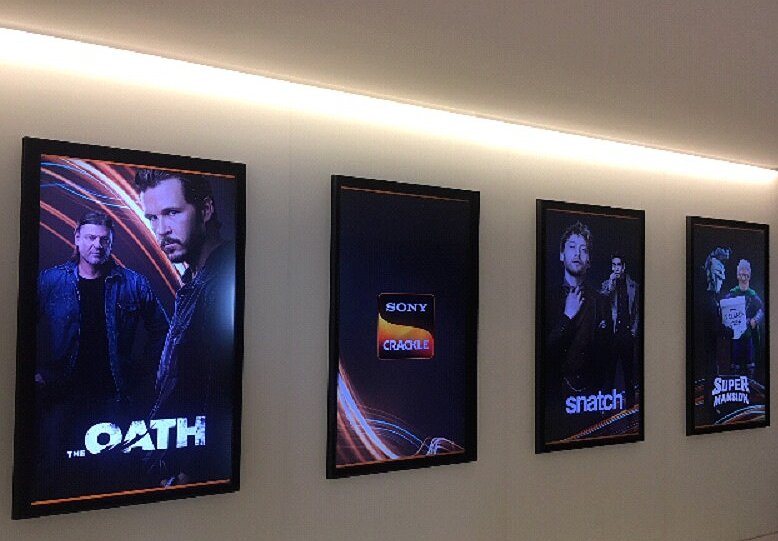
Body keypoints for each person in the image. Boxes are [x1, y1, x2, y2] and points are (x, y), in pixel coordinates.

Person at [36, 210, 169, 498]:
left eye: (104, 240)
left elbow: (163, 329)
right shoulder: (50, 281)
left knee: (112, 477)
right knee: (56, 478)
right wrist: (36, 373)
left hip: (114, 397)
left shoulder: (133, 283)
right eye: (90, 238)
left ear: (111, 243)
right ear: (77, 238)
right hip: (62, 396)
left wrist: (144, 370)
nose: (97, 245)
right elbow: (18, 325)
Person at [135, 169, 236, 486]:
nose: (161, 230)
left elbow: (223, 393)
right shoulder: (194, 281)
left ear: (205, 210)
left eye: (172, 213)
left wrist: (189, 473)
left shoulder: (225, 281)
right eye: (152, 218)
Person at [546, 221, 610, 441]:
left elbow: (607, 356)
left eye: (583, 249)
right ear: (561, 255)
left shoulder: (601, 302)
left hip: (592, 403)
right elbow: (545, 353)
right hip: (556, 404)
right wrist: (567, 316)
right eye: (572, 247)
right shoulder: (547, 299)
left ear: (589, 260)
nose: (577, 254)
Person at [600, 254, 639, 407]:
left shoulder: (633, 286)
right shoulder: (607, 284)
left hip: (627, 334)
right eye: (613, 265)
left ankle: (631, 405)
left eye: (618, 265)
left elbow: (636, 311)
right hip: (613, 334)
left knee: (628, 372)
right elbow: (603, 298)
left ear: (623, 267)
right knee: (609, 372)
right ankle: (606, 406)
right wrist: (611, 282)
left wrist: (633, 330)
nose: (615, 268)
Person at [701, 247, 731, 421]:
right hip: (708, 353)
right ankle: (709, 411)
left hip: (713, 353)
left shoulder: (713, 299)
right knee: (709, 379)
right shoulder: (708, 300)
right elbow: (714, 328)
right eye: (718, 273)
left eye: (722, 272)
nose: (722, 278)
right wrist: (728, 330)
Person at [726, 259, 764, 378]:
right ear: (738, 275)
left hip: (748, 333)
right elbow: (724, 309)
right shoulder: (732, 294)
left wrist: (755, 320)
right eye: (742, 274)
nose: (744, 278)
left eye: (746, 275)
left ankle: (750, 382)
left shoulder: (752, 295)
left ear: (749, 276)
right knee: (735, 363)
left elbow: (762, 309)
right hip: (735, 334)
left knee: (750, 363)